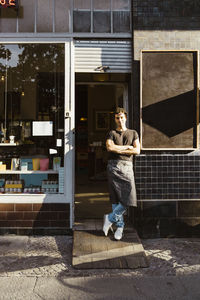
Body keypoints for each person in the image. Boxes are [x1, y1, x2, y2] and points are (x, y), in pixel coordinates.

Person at [103, 107, 140, 240]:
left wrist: (118, 150)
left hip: (127, 167)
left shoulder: (133, 133)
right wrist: (127, 147)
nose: (119, 120)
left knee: (129, 198)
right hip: (113, 167)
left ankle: (110, 218)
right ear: (115, 119)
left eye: (121, 117)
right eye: (117, 118)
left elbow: (137, 151)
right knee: (115, 198)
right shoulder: (111, 133)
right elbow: (109, 148)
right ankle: (120, 227)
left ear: (125, 117)